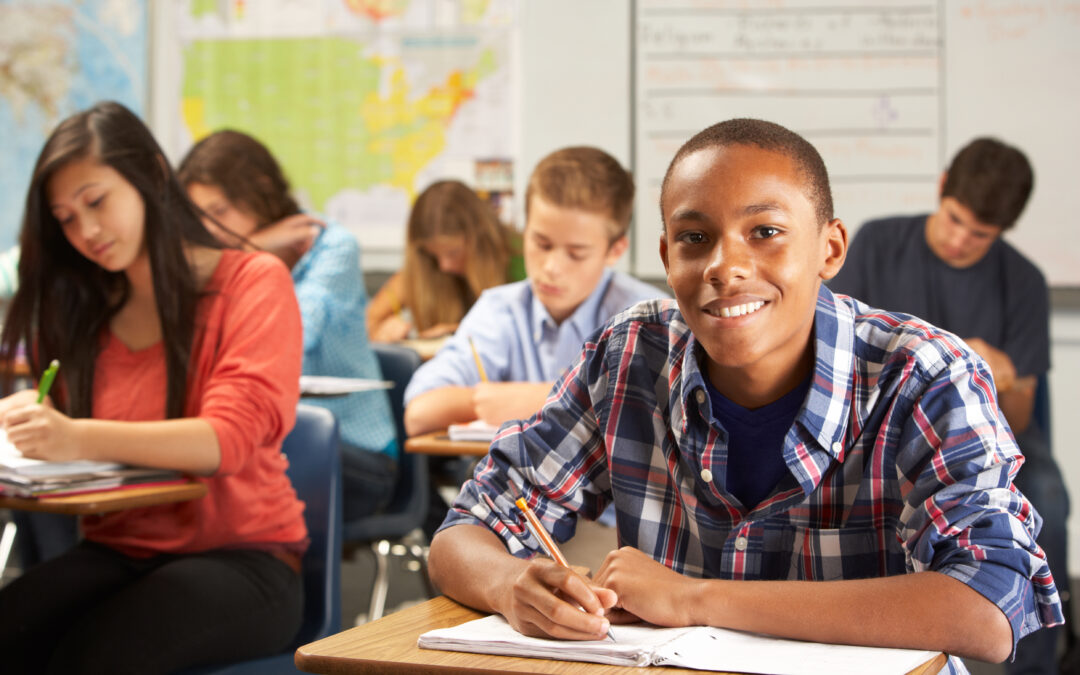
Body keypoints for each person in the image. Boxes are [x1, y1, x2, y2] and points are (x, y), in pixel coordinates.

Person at [426, 119, 1063, 672]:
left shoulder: (927, 376)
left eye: (765, 232)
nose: (724, 267)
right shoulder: (628, 359)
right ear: (666, 256)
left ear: (830, 248)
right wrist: (513, 584)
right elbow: (467, 531)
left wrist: (694, 597)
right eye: (694, 238)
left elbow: (989, 608)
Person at [0, 101, 306, 673]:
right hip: (117, 552)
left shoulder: (253, 282)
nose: (85, 230)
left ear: (153, 178)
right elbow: (67, 456)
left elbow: (225, 441)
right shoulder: (84, 306)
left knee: (89, 658)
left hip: (244, 561)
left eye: (96, 201)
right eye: (65, 217)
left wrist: (76, 437)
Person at [829, 137, 1071, 674]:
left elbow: (1023, 416)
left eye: (979, 235)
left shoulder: (1023, 281)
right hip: (882, 423)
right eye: (956, 219)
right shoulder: (877, 243)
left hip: (985, 433)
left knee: (1047, 499)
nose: (961, 240)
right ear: (942, 189)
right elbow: (836, 354)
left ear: (1003, 231)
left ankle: (1030, 663)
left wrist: (1000, 373)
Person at [179, 129, 398, 521]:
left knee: (238, 468)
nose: (210, 231)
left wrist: (248, 256)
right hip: (269, 442)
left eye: (219, 212)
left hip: (353, 452)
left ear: (260, 191)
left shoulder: (331, 245)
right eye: (199, 218)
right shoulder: (213, 263)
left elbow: (287, 337)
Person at [402, 146, 664, 438]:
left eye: (576, 253)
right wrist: (485, 401)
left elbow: (668, 419)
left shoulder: (648, 320)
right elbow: (419, 413)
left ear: (614, 250)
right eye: (541, 243)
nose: (551, 267)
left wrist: (540, 399)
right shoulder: (499, 311)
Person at [367, 179, 525, 342]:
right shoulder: (425, 268)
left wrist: (458, 332)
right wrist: (383, 332)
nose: (444, 265)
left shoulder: (522, 258)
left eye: (453, 252)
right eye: (433, 255)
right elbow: (368, 323)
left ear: (479, 240)